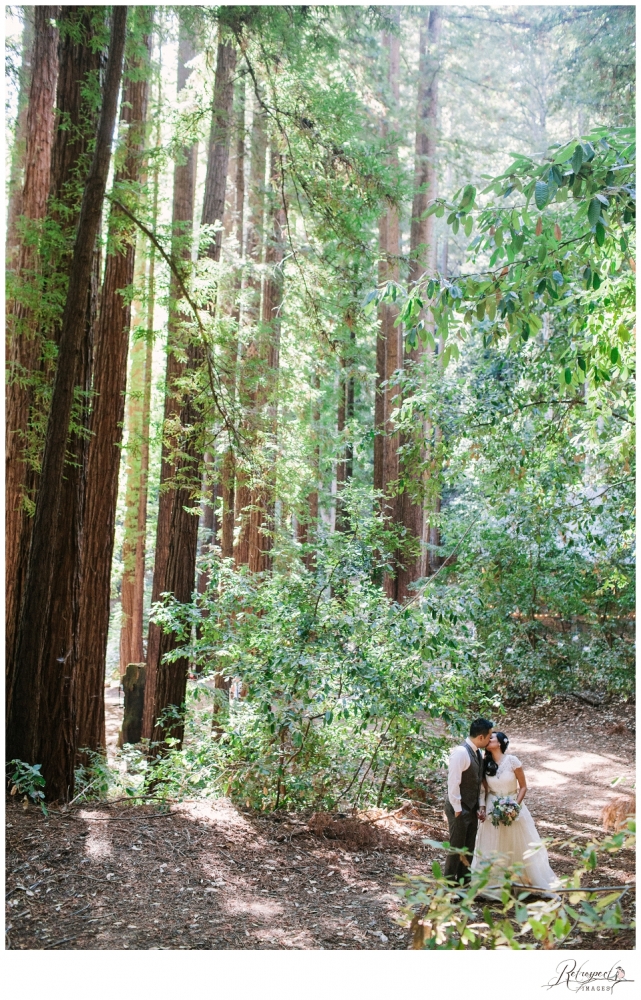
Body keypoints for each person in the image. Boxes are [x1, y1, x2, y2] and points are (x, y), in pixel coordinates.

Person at [471, 730, 559, 891]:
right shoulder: (484, 763)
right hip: (492, 806)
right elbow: (484, 790)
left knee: (518, 843)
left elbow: (523, 787)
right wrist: (482, 808)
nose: (488, 739)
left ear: (500, 743)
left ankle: (523, 880)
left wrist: (514, 807)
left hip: (513, 804)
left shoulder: (513, 761)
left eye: (492, 738)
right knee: (493, 843)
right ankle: (494, 884)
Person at [444, 717, 493, 883]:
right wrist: (458, 809)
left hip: (471, 808)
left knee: (468, 848)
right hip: (459, 808)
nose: (489, 740)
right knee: (456, 848)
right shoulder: (461, 753)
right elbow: (453, 783)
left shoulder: (478, 753)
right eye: (489, 737)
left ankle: (464, 885)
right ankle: (449, 888)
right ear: (481, 737)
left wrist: (479, 806)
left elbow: (477, 782)